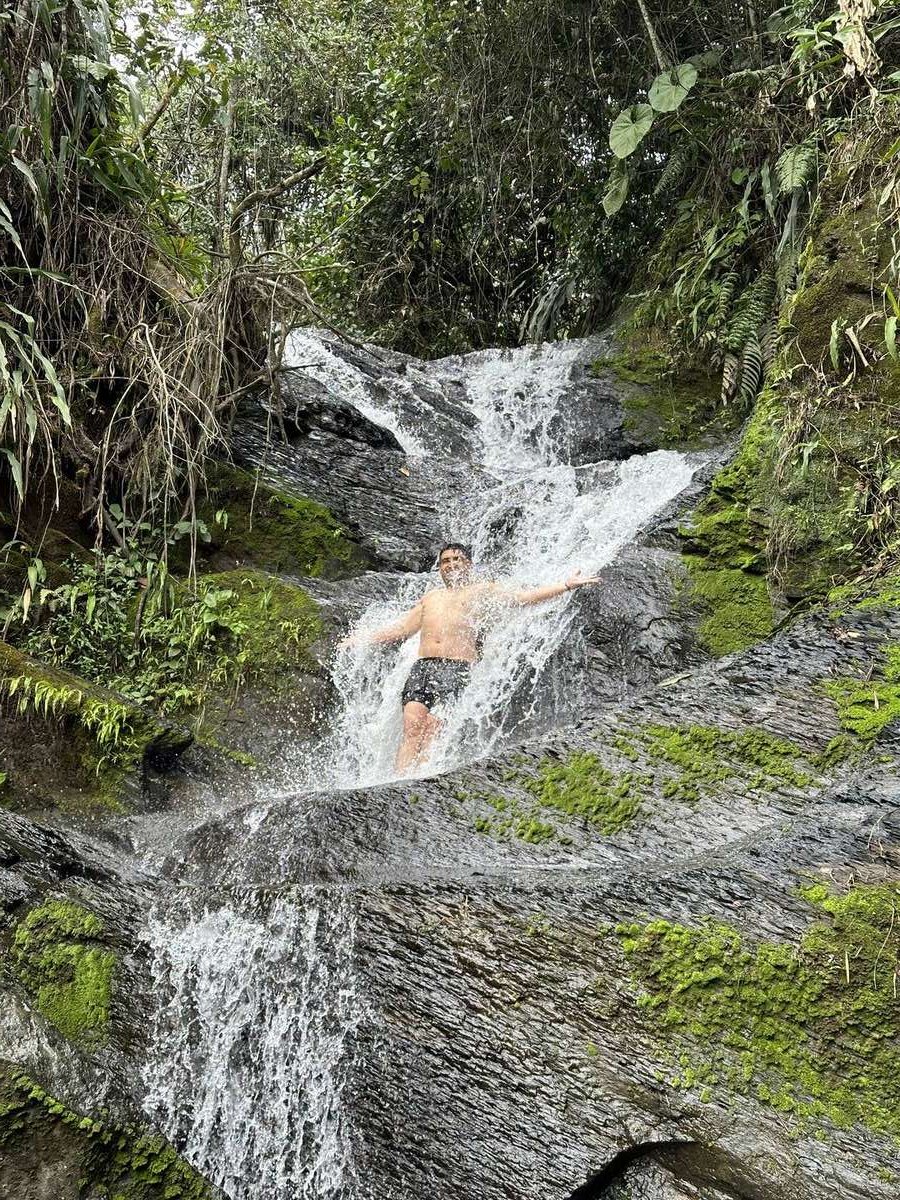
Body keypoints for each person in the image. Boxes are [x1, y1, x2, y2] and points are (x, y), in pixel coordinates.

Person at [341, 541, 601, 774]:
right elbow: (401, 630)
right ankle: (395, 784)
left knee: (433, 728)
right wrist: (361, 639)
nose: (451, 565)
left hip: (456, 668)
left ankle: (418, 781)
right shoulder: (431, 597)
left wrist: (565, 585)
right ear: (439, 569)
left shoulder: (483, 591)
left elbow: (522, 599)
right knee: (412, 727)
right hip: (423, 668)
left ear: (469, 565)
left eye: (457, 560)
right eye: (445, 561)